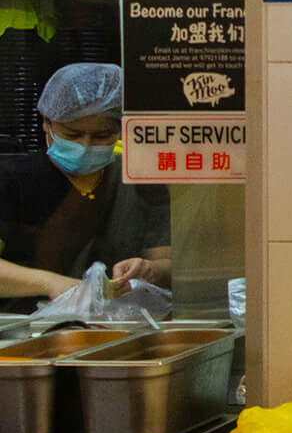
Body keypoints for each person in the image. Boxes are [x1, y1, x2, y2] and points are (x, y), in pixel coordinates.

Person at [0, 64, 170, 312]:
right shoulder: (13, 179)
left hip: (119, 326)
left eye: (102, 136)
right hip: (23, 328)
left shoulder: (137, 182)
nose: (85, 145)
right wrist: (51, 283)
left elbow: (170, 261)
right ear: (46, 122)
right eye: (73, 134)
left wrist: (150, 269)